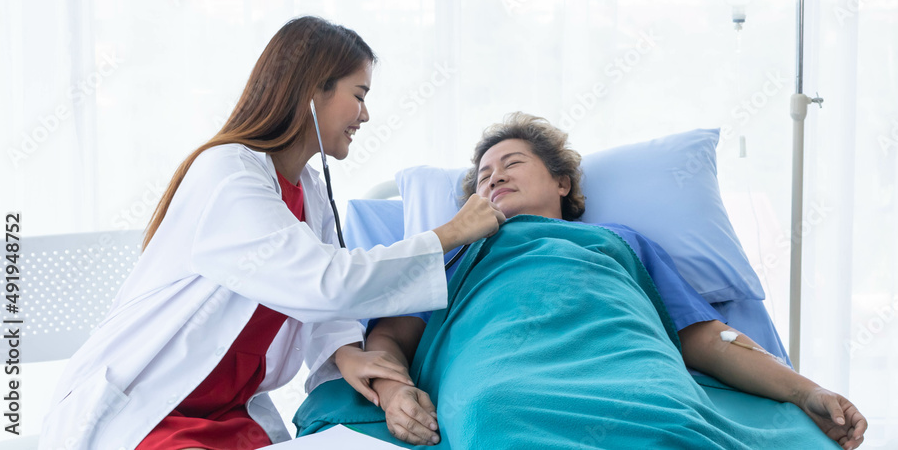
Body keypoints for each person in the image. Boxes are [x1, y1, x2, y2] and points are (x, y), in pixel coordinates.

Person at [40, 17, 504, 450]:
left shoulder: (309, 190)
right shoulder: (228, 175)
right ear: (313, 91)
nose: (365, 115)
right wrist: (450, 233)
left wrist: (346, 353)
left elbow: (324, 308)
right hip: (151, 405)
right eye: (359, 95)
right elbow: (324, 281)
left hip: (227, 412)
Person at [358, 113, 867, 449]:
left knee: (672, 416)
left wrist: (807, 391)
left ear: (562, 182)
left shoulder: (619, 241)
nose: (495, 177)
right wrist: (394, 392)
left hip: (630, 363)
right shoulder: (451, 251)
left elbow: (707, 337)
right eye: (484, 176)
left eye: (512, 164)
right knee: (497, 414)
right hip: (502, 376)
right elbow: (388, 337)